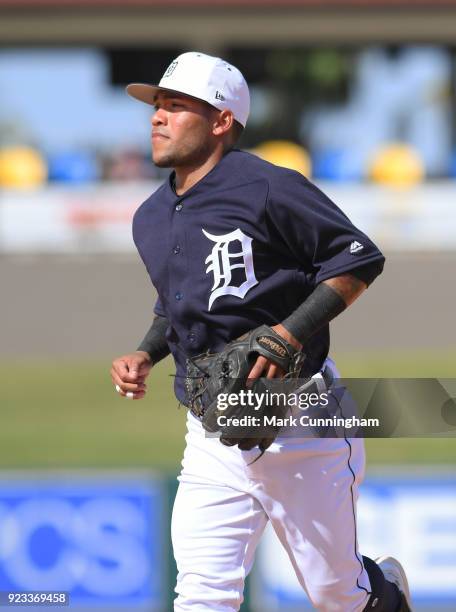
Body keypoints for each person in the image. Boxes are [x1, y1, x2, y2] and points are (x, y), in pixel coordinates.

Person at [111, 52, 413, 611]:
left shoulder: (269, 187)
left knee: (338, 597)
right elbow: (180, 302)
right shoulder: (150, 216)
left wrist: (291, 333)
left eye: (177, 107)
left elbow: (357, 258)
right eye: (158, 106)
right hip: (212, 433)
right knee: (201, 596)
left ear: (221, 121)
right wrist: (147, 352)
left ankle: (386, 592)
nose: (158, 117)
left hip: (301, 419)